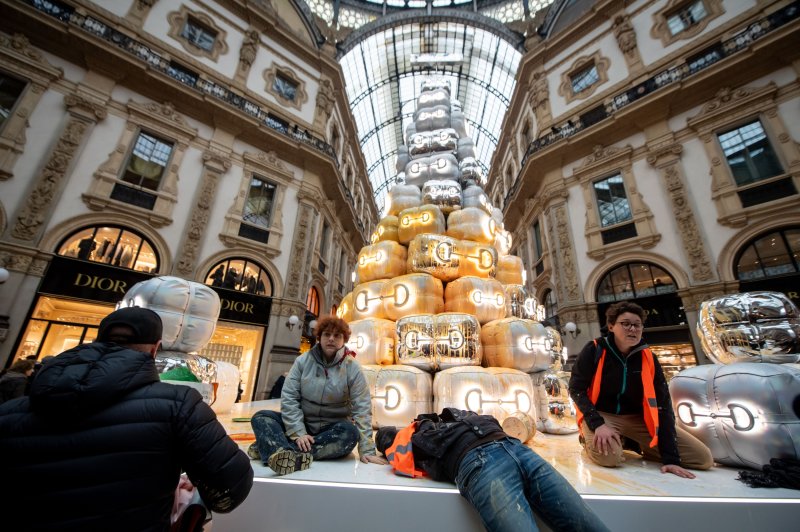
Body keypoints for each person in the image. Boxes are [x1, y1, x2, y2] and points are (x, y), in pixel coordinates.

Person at [0, 307, 253, 531]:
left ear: (98, 340)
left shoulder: (9, 413)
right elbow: (232, 485)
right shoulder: (177, 404)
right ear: (155, 348)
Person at [376, 408, 612, 532]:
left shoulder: (447, 416)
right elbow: (402, 456)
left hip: (512, 448)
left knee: (590, 526)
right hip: (481, 461)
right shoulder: (411, 437)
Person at [568, 301, 713, 478]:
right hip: (603, 415)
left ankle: (633, 443)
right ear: (611, 326)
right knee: (610, 459)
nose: (632, 329)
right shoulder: (595, 349)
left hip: (639, 419)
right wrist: (597, 424)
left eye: (637, 325)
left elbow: (663, 406)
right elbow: (576, 389)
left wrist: (671, 459)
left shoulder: (648, 357)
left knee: (702, 459)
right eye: (626, 323)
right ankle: (589, 440)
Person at [250, 315, 387, 475]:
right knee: (262, 417)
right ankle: (284, 452)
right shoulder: (302, 361)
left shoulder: (352, 367)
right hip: (303, 423)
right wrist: (298, 432)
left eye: (337, 335)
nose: (331, 339)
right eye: (327, 334)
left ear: (344, 340)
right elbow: (289, 398)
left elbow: (362, 408)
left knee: (350, 434)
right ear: (319, 337)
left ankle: (276, 449)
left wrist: (367, 450)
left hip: (333, 429)